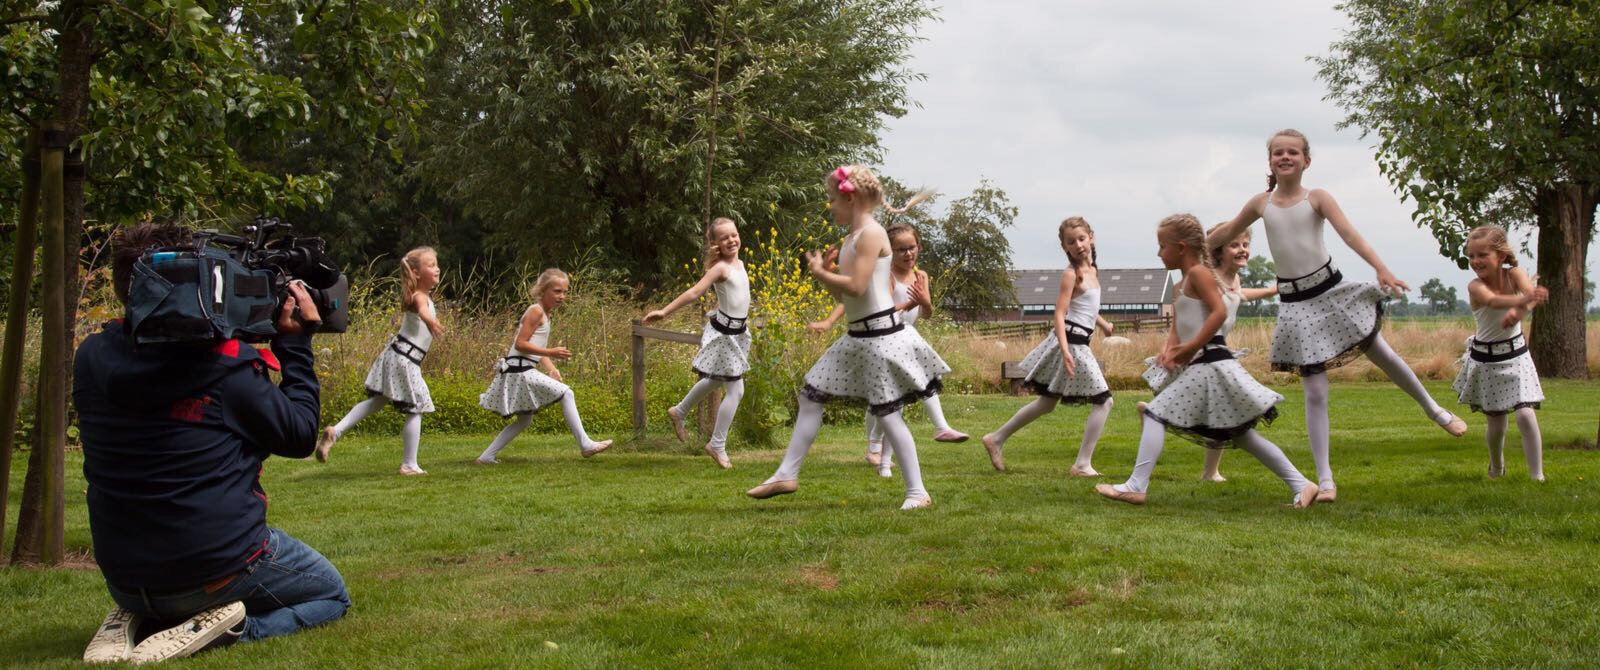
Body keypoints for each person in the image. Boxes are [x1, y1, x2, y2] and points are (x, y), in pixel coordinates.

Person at [76, 223, 349, 664]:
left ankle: (147, 615)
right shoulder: (227, 370)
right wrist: (295, 345)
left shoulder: (90, 357)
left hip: (124, 576)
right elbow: (300, 434)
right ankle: (231, 630)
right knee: (331, 594)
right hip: (213, 571)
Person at [1208, 128, 1467, 502]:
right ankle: (1326, 480)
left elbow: (1350, 234)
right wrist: (1192, 252)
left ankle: (1435, 410)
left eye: (1292, 153)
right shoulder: (1260, 204)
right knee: (1315, 393)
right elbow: (1224, 234)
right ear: (1270, 162)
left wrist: (1381, 269)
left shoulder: (1318, 197)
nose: (1285, 157)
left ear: (1306, 161)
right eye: (1278, 153)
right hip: (1297, 306)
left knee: (1384, 354)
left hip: (1331, 292)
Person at [746, 165, 948, 510]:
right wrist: (826, 275)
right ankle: (786, 473)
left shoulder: (871, 234)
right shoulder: (851, 239)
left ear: (850, 198)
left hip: (881, 336)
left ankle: (917, 492)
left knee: (887, 414)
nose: (830, 206)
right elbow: (846, 298)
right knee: (811, 396)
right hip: (858, 335)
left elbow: (855, 285)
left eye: (832, 199)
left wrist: (825, 273)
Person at [1096, 214, 1318, 508]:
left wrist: (1190, 348)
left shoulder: (1200, 274)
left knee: (1154, 414)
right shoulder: (1188, 280)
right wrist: (1170, 350)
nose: (1158, 253)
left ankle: (1136, 486)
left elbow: (1219, 314)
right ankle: (1302, 485)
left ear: (1182, 247)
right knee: (1242, 436)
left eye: (1162, 246)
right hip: (1206, 363)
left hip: (1211, 361)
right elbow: (1183, 321)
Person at [808, 223, 968, 478]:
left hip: (906, 340)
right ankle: (884, 448)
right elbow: (864, 304)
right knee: (889, 403)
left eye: (911, 248)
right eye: (901, 249)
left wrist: (924, 302)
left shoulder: (921, 276)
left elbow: (926, 313)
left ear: (919, 247)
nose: (908, 254)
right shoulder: (886, 276)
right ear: (890, 252)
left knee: (897, 402)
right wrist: (828, 321)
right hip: (882, 338)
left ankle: (887, 455)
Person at [981, 217, 1116, 475]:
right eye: (1070, 242)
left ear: (1091, 237)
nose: (1077, 245)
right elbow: (1060, 314)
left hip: (1078, 340)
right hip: (1071, 342)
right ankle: (1082, 463)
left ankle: (996, 438)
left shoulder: (1093, 271)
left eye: (1081, 239)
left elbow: (1086, 306)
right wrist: (1065, 351)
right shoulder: (1070, 275)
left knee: (1047, 403)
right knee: (1105, 401)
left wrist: (1103, 324)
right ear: (1064, 247)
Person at [317, 247, 443, 474]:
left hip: (399, 355)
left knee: (378, 401)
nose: (437, 268)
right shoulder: (419, 297)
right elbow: (423, 310)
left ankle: (335, 431)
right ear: (415, 272)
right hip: (405, 358)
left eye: (436, 264)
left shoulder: (418, 295)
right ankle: (409, 464)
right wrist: (430, 322)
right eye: (431, 265)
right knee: (416, 408)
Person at [643, 217, 751, 469]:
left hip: (736, 332)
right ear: (715, 244)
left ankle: (679, 411)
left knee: (715, 379)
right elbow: (694, 292)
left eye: (734, 234)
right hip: (724, 334)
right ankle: (717, 444)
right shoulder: (720, 268)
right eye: (724, 238)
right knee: (737, 390)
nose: (731, 240)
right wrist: (664, 311)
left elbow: (735, 299)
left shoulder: (740, 264)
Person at [477, 268, 614, 462]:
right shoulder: (535, 311)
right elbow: (520, 344)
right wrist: (551, 352)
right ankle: (585, 445)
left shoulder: (546, 314)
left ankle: (486, 457)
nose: (562, 296)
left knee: (524, 420)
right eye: (557, 291)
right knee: (567, 393)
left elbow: (535, 347)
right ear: (542, 291)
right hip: (518, 370)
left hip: (522, 368)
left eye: (565, 292)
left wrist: (551, 368)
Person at [1453, 225, 1548, 480]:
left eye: (1482, 255)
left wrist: (1520, 310)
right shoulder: (1475, 286)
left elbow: (1529, 295)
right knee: (1496, 424)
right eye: (1471, 256)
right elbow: (1494, 301)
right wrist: (1521, 303)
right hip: (1486, 361)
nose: (1475, 261)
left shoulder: (1515, 273)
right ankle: (1496, 467)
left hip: (1516, 355)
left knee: (1526, 415)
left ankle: (1537, 476)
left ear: (1501, 256)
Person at [1192, 222, 1279, 483]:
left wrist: (1274, 289)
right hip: (1202, 353)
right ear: (1217, 251)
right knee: (1216, 410)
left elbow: (1240, 295)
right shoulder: (1211, 279)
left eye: (1245, 244)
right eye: (1234, 245)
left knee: (1216, 411)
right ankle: (1153, 416)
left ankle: (1210, 471)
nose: (1243, 249)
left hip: (1218, 351)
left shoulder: (1234, 278)